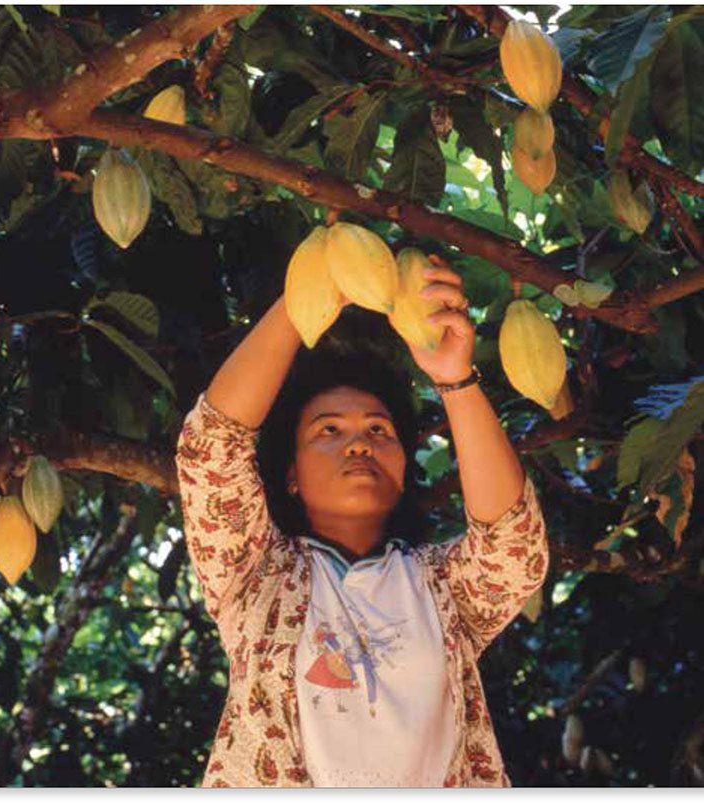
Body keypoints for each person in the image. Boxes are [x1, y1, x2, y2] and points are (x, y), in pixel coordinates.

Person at [175, 254, 549, 787]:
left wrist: (455, 380)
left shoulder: (441, 586)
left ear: (402, 468)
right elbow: (210, 448)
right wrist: (308, 291)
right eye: (329, 431)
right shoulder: (257, 575)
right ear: (291, 476)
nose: (358, 442)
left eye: (379, 430)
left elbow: (514, 546)